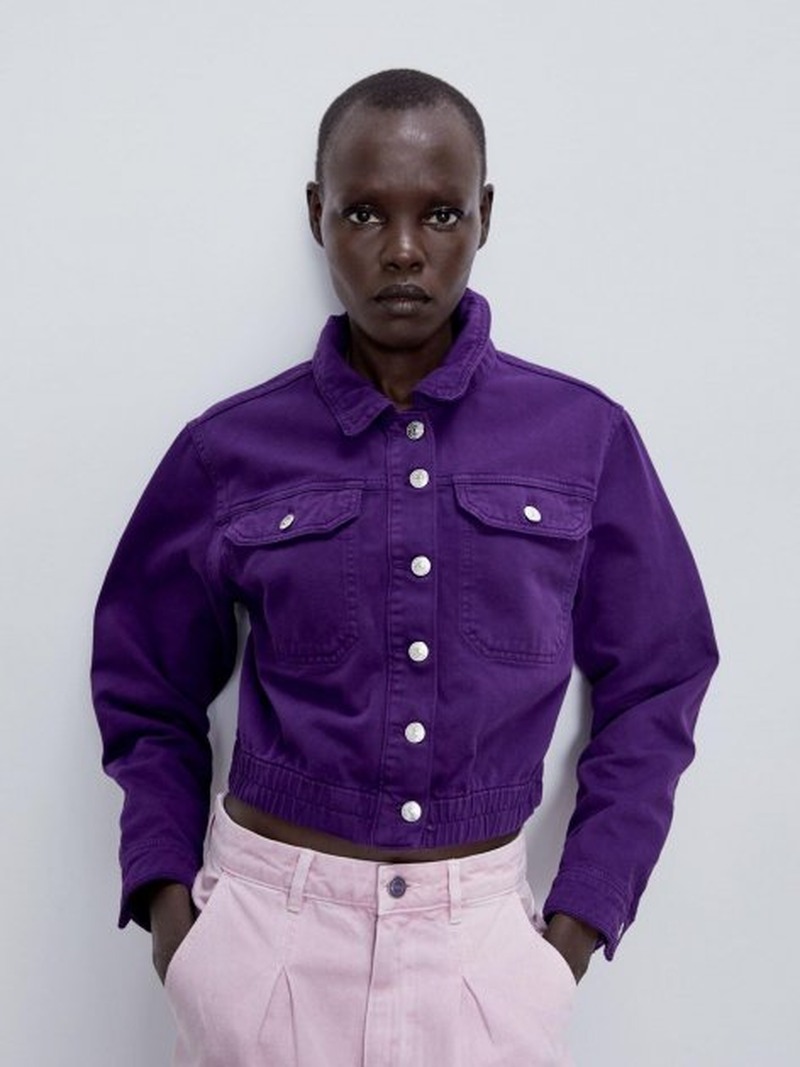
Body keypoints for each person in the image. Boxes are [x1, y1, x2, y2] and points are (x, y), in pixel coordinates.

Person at [91, 69, 719, 1066]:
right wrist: (175, 920)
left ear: (484, 214)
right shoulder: (230, 449)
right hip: (266, 945)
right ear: (317, 213)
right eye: (363, 213)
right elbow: (144, 687)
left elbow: (659, 678)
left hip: (483, 959)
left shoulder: (583, 439)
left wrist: (573, 930)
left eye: (439, 214)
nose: (401, 250)